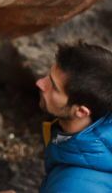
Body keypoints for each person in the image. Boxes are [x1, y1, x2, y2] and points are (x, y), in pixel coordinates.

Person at [35, 41, 112, 192]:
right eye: (48, 76)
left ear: (81, 111)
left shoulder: (74, 186)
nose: (39, 82)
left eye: (53, 87)